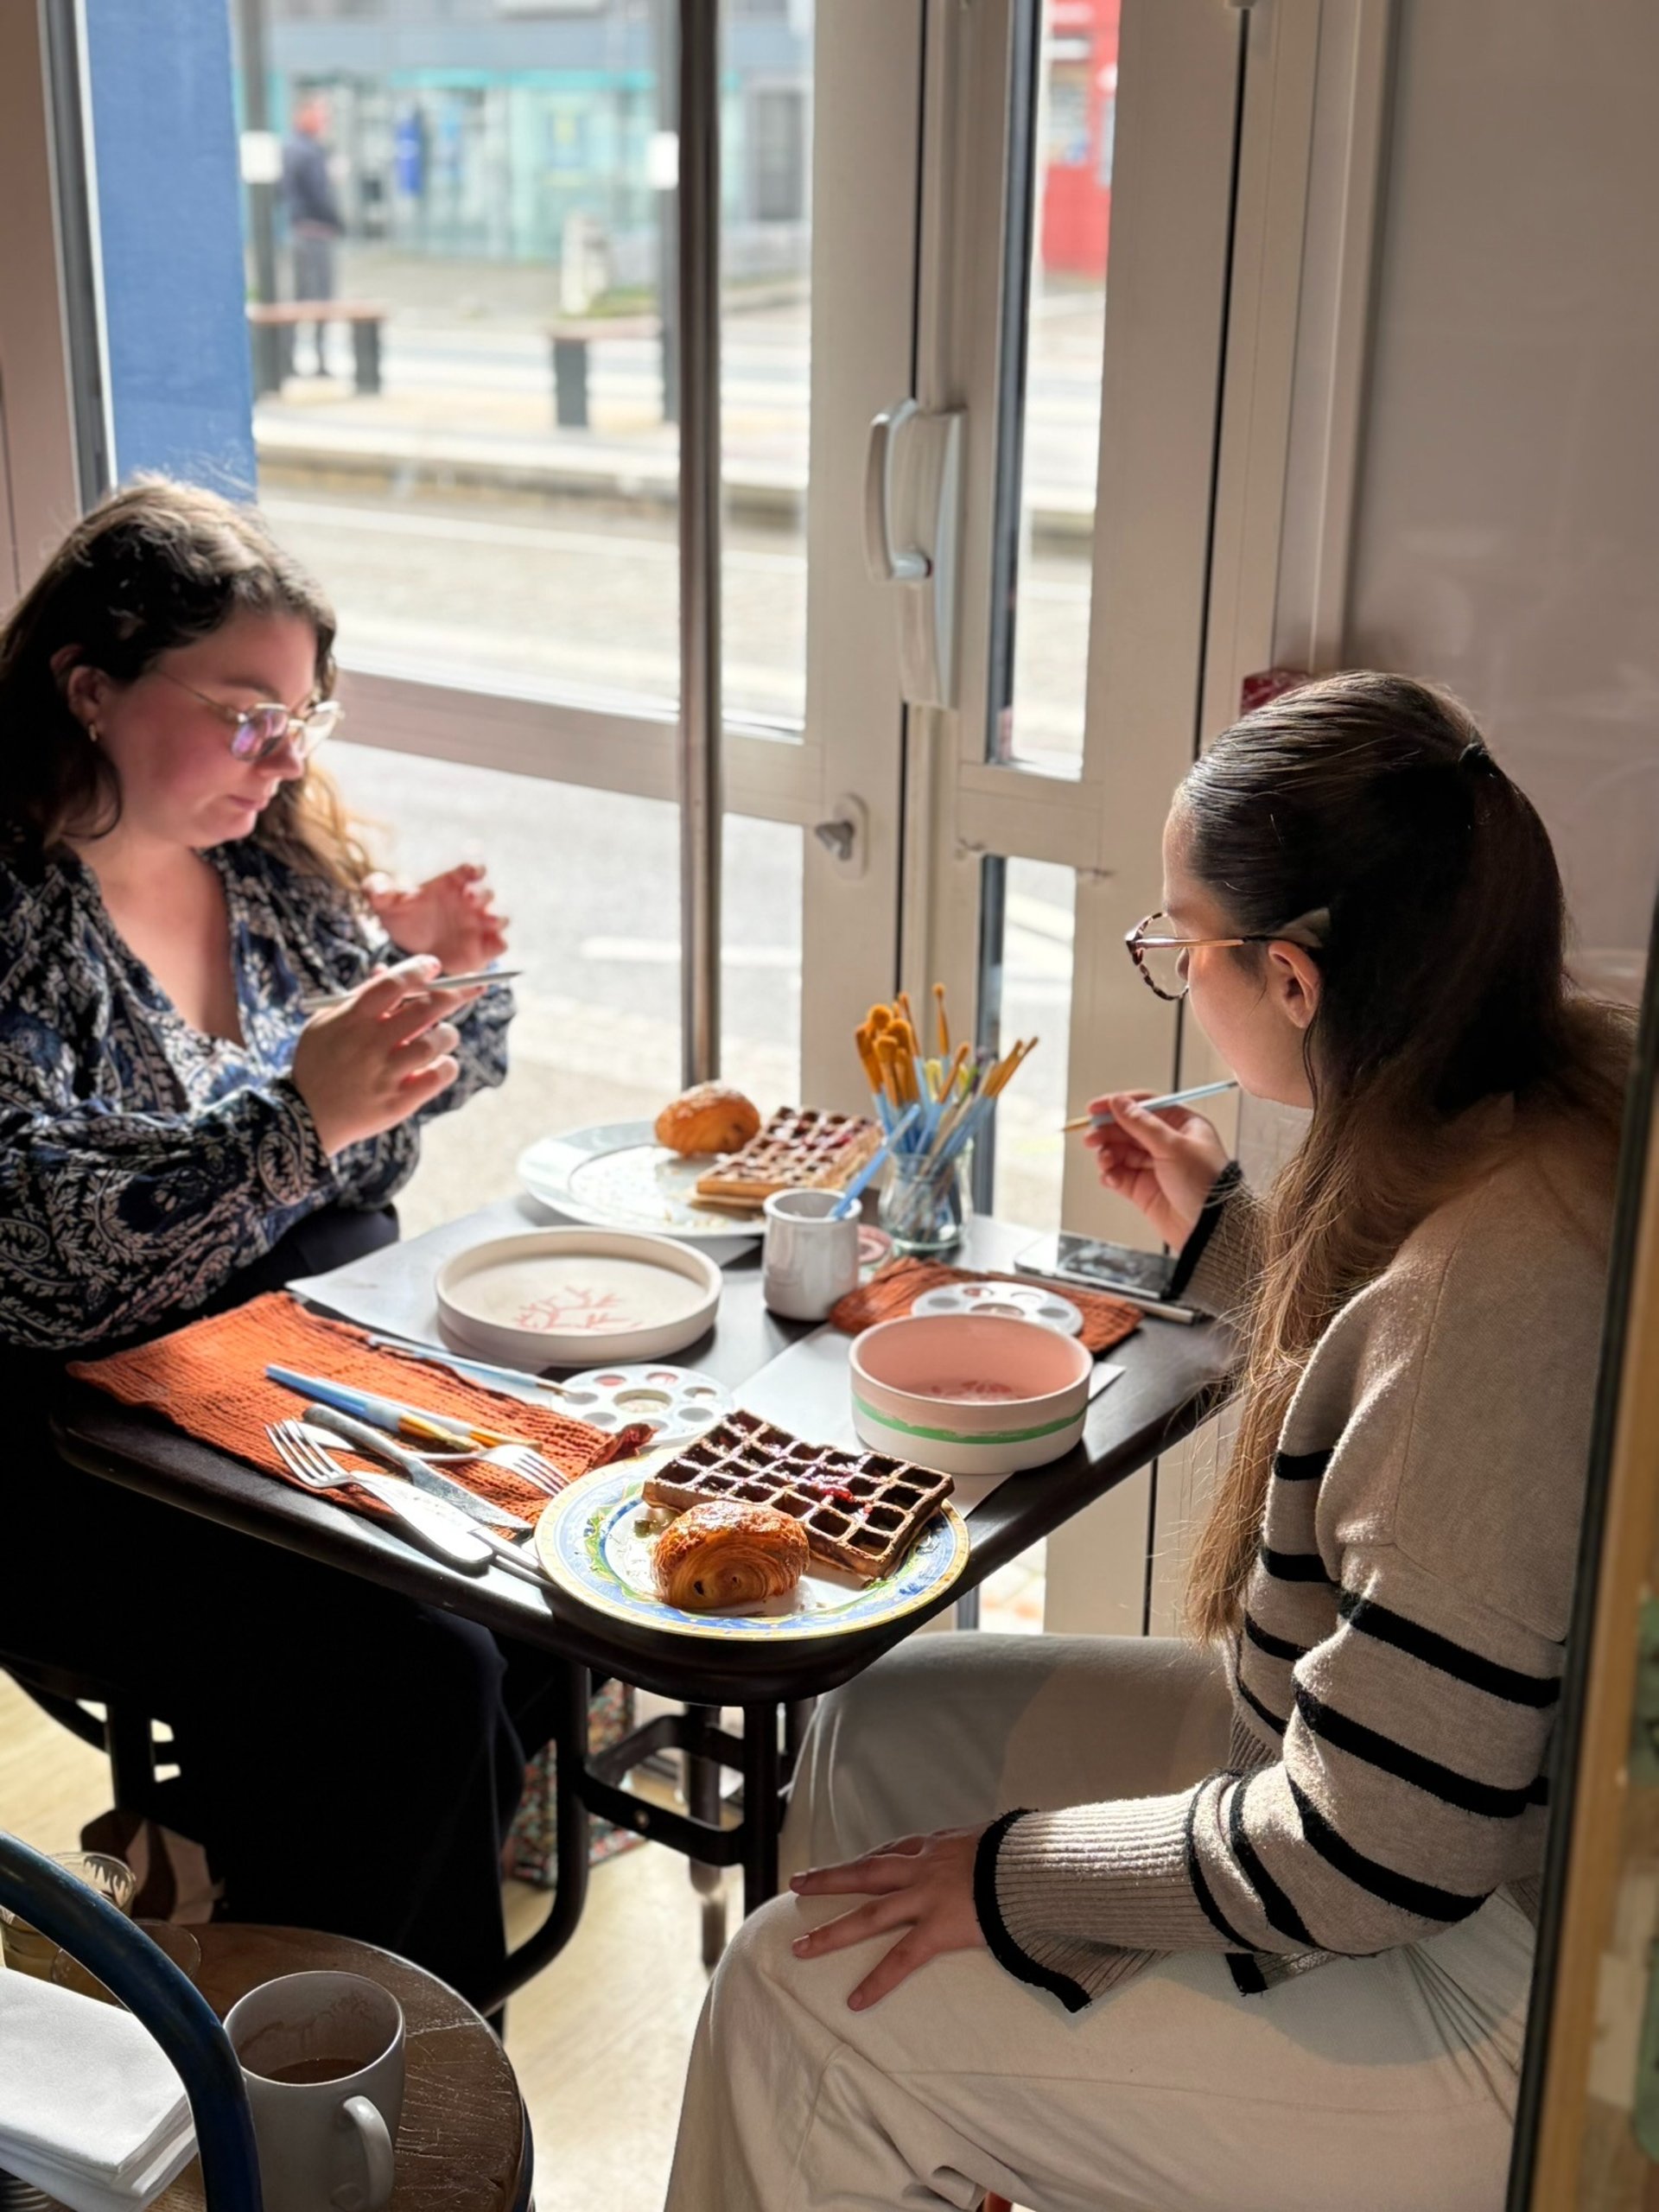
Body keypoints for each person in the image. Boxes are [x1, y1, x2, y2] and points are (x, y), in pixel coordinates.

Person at [665, 672, 1628, 2211]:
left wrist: (1014, 1881)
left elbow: (1381, 1857)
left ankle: (896, 2110)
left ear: (1295, 977)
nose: (1174, 972)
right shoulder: (1527, 1105)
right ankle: (943, 2152)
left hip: (1504, 1995)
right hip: (1403, 1813)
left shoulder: (1488, 1304)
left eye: (1182, 943)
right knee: (877, 1722)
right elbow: (1402, 1409)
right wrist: (1228, 1240)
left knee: (795, 2004)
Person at [0, 478, 543, 2004]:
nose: (284, 754)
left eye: (303, 716)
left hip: (296, 1364)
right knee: (423, 1675)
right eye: (246, 712)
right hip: (71, 1439)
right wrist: (301, 1122)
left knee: (547, 1561)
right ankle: (359, 2066)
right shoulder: (15, 916)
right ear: (89, 684)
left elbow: (379, 1128)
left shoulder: (272, 870)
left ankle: (240, 1895)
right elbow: (42, 1259)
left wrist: (433, 982)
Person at [281, 96, 344, 376]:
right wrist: (339, 222)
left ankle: (289, 360)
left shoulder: (295, 150)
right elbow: (318, 195)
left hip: (300, 230)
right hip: (314, 232)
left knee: (300, 297)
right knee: (318, 298)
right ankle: (317, 360)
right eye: (320, 116)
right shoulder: (308, 152)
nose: (324, 122)